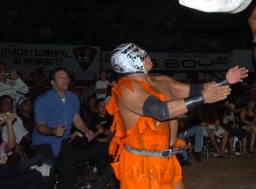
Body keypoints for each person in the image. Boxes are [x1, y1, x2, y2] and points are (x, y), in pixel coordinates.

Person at [106, 42, 248, 188]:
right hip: (141, 163)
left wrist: (226, 80)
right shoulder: (126, 89)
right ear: (126, 62)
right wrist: (203, 98)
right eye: (138, 54)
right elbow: (160, 111)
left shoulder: (162, 81)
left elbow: (196, 89)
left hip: (167, 158)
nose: (145, 54)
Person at [32, 66, 96, 189]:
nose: (65, 80)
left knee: (70, 174)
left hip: (62, 141)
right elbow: (40, 126)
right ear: (53, 82)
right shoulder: (43, 100)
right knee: (47, 177)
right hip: (44, 142)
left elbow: (76, 118)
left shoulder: (73, 98)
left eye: (66, 77)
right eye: (61, 77)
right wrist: (53, 131)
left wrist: (86, 130)